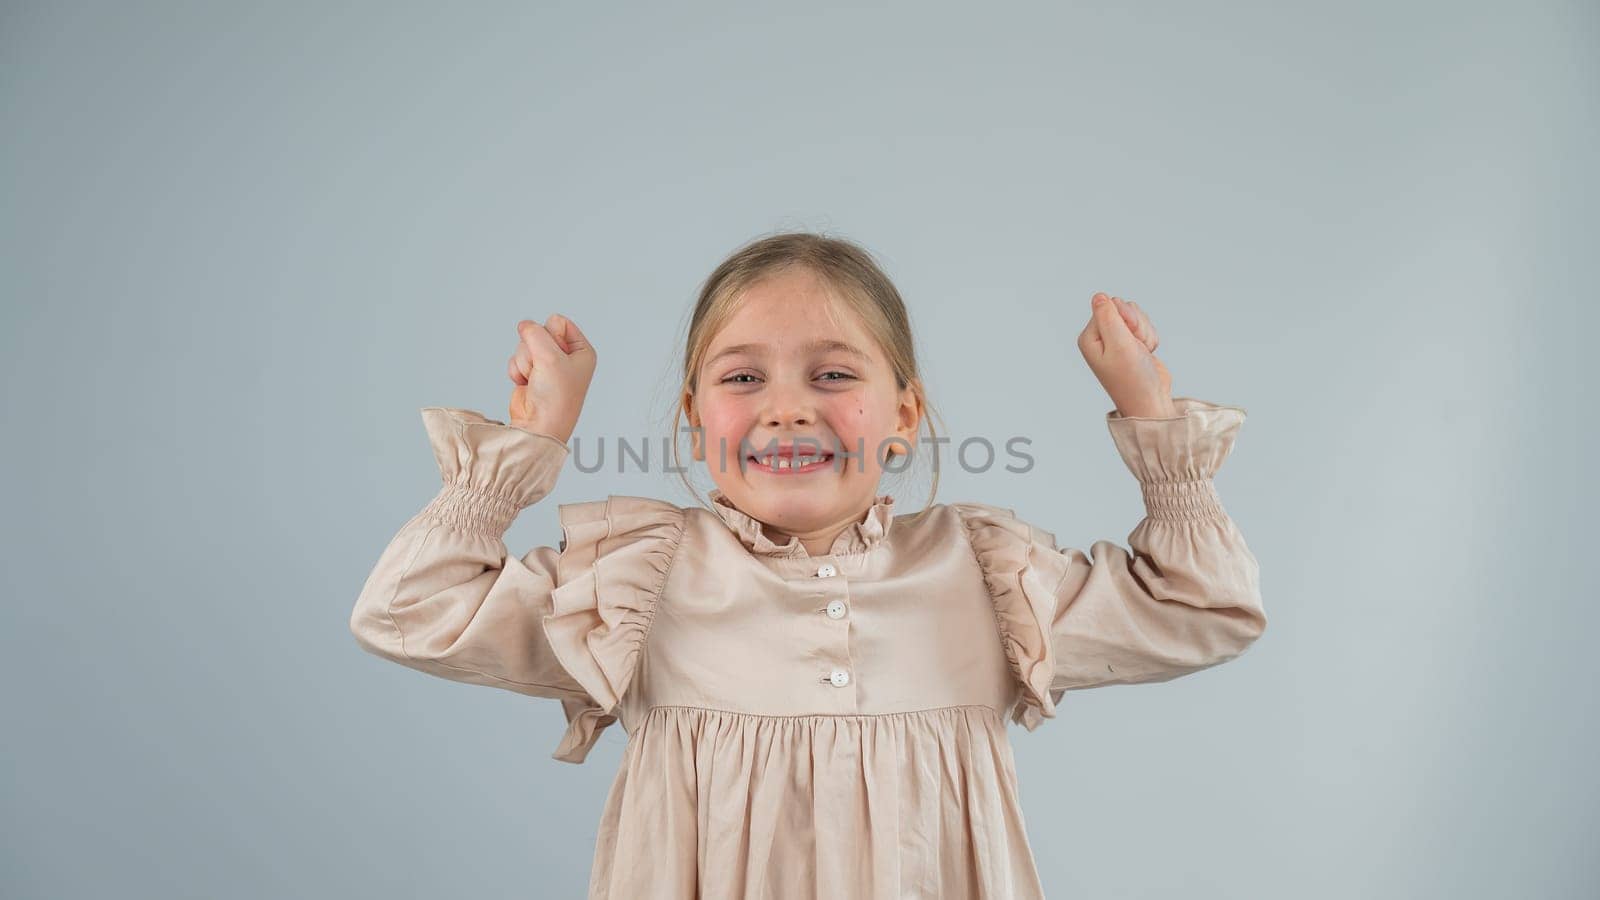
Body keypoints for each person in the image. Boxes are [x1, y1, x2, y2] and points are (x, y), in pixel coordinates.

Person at [349, 231, 1266, 898]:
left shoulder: (984, 575)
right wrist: (532, 441)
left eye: (833, 375)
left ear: (904, 414)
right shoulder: (639, 580)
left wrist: (1154, 422)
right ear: (694, 417)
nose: (787, 409)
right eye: (743, 379)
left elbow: (1206, 607)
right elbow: (408, 609)